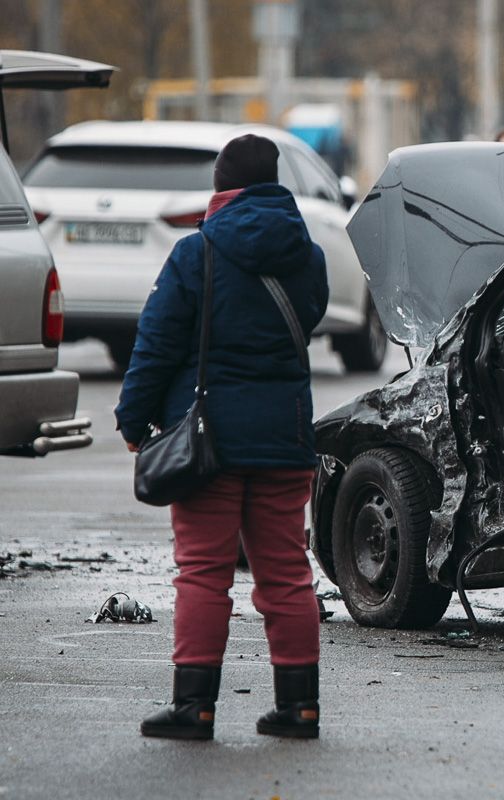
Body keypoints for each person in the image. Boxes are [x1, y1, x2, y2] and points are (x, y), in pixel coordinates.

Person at [115, 133, 329, 741]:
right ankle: (299, 707)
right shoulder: (308, 256)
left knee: (204, 573)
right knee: (286, 572)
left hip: (210, 442)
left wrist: (133, 421)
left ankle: (194, 707)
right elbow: (308, 319)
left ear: (222, 188)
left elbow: (156, 344)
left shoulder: (197, 252)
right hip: (286, 434)